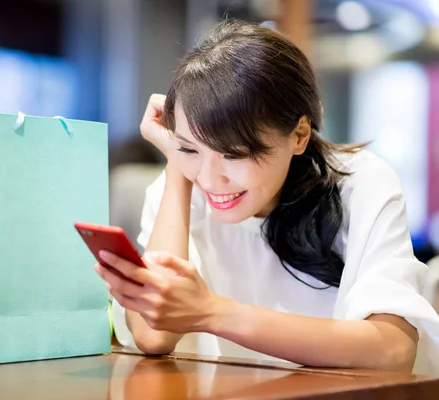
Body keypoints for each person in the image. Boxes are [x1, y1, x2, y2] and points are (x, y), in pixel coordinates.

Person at [94, 20, 439, 373]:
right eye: (190, 148)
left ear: (299, 135)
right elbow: (154, 336)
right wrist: (177, 167)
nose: (211, 179)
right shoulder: (183, 183)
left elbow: (392, 350)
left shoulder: (361, 184)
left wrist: (211, 312)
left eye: (234, 154)